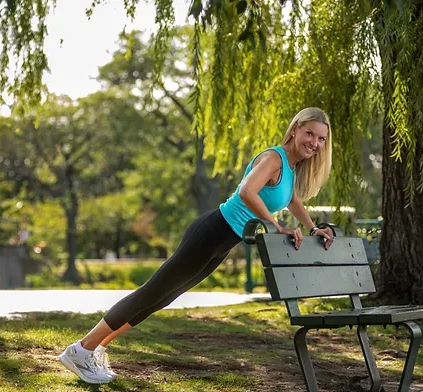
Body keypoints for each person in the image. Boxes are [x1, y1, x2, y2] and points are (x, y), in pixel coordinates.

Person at [58, 107, 336, 384]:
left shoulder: (291, 167)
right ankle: (81, 348)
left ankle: (95, 349)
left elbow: (291, 199)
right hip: (212, 232)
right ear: (295, 129)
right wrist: (274, 225)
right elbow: (247, 191)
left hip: (223, 241)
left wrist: (313, 227)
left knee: (162, 298)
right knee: (151, 292)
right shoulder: (274, 158)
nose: (314, 142)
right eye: (309, 133)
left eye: (321, 139)